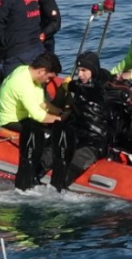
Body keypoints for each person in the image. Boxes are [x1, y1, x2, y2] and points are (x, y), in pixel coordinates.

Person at [49, 52, 124, 191]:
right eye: (78, 71)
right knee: (49, 152)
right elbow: (77, 88)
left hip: (96, 140)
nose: (80, 74)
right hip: (76, 132)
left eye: (84, 70)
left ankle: (59, 187)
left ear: (93, 70)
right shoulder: (80, 85)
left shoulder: (107, 90)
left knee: (72, 166)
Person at [0, 52, 63, 189]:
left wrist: (60, 113)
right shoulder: (22, 82)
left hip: (25, 117)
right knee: (50, 135)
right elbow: (39, 115)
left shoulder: (28, 73)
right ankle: (33, 174)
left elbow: (41, 103)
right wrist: (61, 120)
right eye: (49, 78)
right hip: (11, 120)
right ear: (42, 71)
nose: (48, 82)